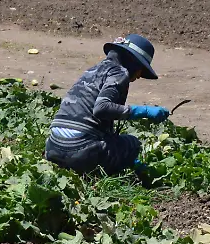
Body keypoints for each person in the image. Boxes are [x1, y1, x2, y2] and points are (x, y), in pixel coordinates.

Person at [44, 34, 169, 174]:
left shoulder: (92, 71)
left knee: (114, 141)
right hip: (80, 152)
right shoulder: (120, 72)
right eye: (141, 70)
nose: (139, 76)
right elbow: (102, 108)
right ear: (133, 62)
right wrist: (144, 111)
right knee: (132, 144)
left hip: (52, 149)